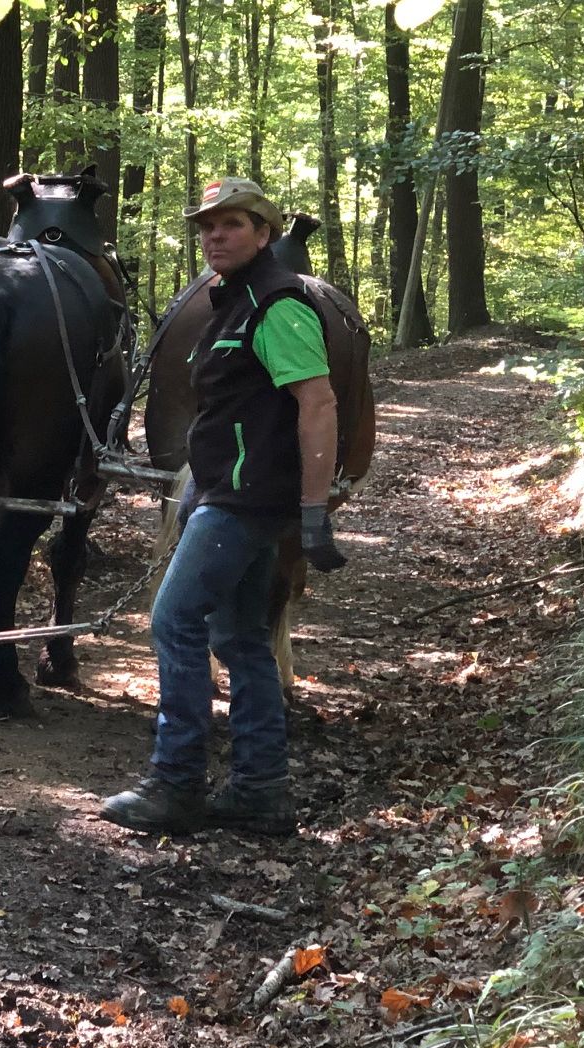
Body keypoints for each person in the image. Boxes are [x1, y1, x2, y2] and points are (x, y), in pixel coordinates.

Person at [99, 177, 346, 838]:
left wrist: (313, 511)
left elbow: (317, 404)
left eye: (231, 224)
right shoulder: (233, 303)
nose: (215, 235)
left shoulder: (277, 305)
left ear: (263, 233)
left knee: (173, 621)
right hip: (226, 493)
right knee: (239, 639)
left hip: (244, 501)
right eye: (206, 227)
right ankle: (261, 791)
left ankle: (175, 784)